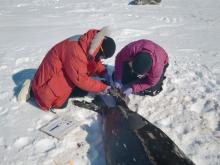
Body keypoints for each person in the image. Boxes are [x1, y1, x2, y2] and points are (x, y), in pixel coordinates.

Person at [18, 26, 116, 111]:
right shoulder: (76, 51)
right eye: (103, 57)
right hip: (48, 79)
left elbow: (93, 60)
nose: (101, 59)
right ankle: (32, 90)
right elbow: (80, 79)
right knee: (58, 104)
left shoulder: (90, 43)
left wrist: (103, 72)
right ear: (100, 48)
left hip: (63, 70)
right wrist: (103, 88)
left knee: (84, 90)